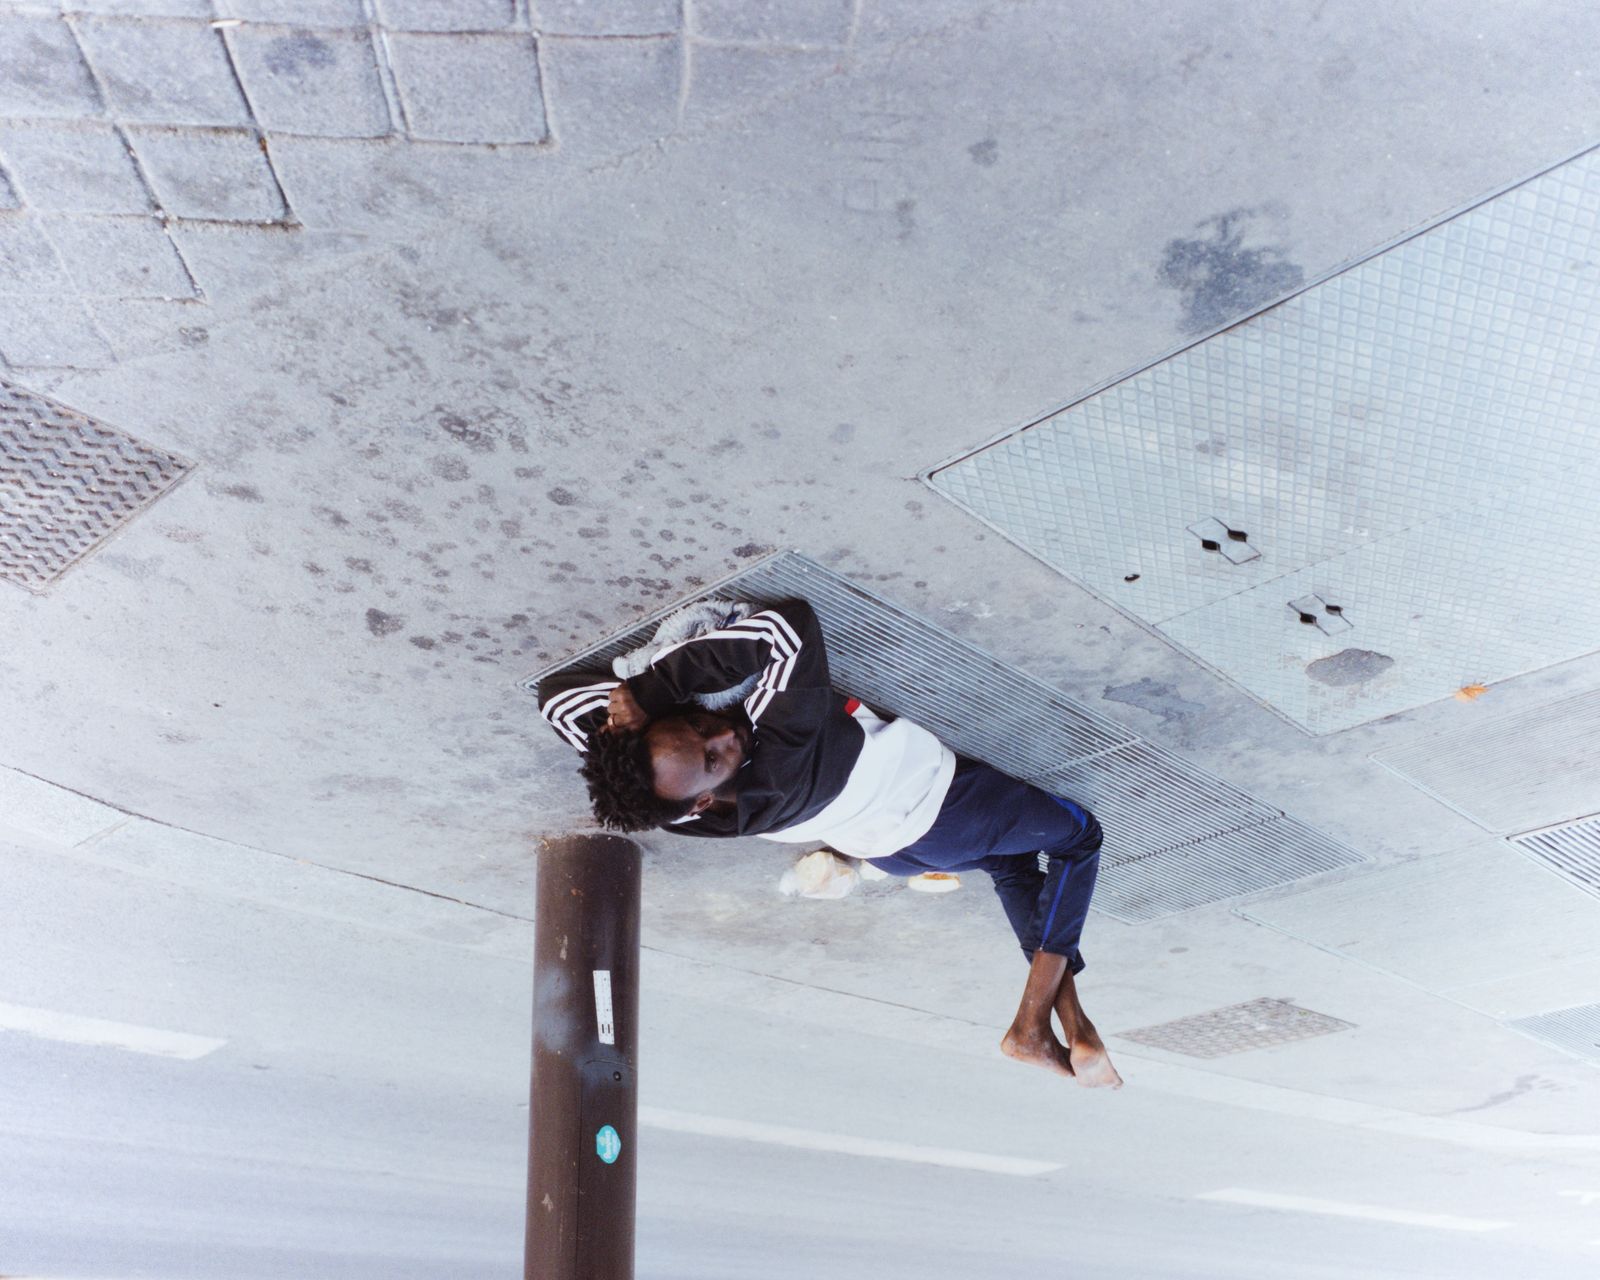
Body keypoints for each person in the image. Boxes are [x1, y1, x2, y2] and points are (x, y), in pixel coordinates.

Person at [537, 599, 1121, 1087]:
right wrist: (653, 688)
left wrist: (633, 729)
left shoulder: (672, 808)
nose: (723, 732)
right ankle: (1029, 1019)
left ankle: (1070, 1021)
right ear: (703, 797)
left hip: (891, 853)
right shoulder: (785, 744)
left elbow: (557, 700)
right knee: (1078, 837)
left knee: (1018, 868)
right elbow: (788, 626)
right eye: (715, 759)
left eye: (694, 725)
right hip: (949, 809)